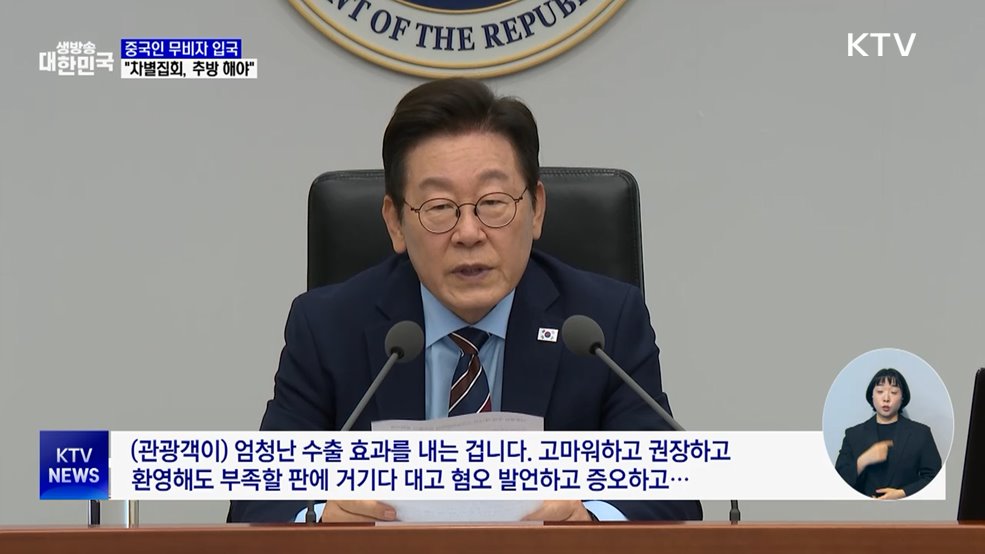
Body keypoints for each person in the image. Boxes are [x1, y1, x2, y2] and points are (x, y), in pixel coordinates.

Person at [227, 78, 702, 523]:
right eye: (439, 208)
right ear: (395, 223)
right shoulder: (328, 328)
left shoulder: (601, 325)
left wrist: (589, 517)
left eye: (493, 203)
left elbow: (672, 495)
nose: (469, 233)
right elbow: (257, 504)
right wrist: (319, 515)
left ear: (536, 209)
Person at [834, 368, 942, 499]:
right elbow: (837, 482)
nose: (886, 398)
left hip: (908, 509)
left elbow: (935, 478)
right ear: (872, 395)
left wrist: (902, 493)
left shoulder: (921, 433)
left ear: (902, 397)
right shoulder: (853, 435)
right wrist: (863, 460)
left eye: (894, 392)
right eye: (880, 391)